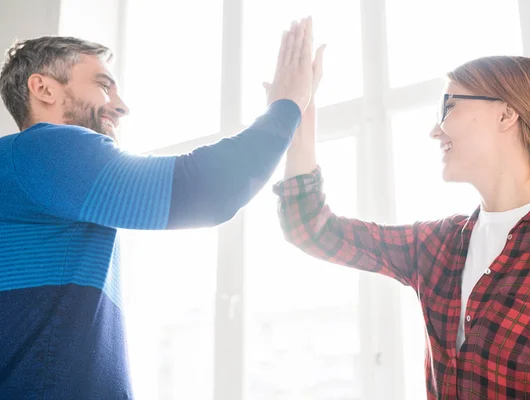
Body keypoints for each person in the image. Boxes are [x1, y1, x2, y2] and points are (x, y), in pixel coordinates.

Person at [0, 17, 314, 398]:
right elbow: (207, 188)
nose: (121, 106)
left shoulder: (28, 172)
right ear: (43, 88)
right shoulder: (45, 150)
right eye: (103, 85)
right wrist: (288, 105)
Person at [273, 53, 530, 399]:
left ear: (505, 114)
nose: (434, 131)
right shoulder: (438, 244)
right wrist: (298, 111)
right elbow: (311, 228)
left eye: (450, 107)